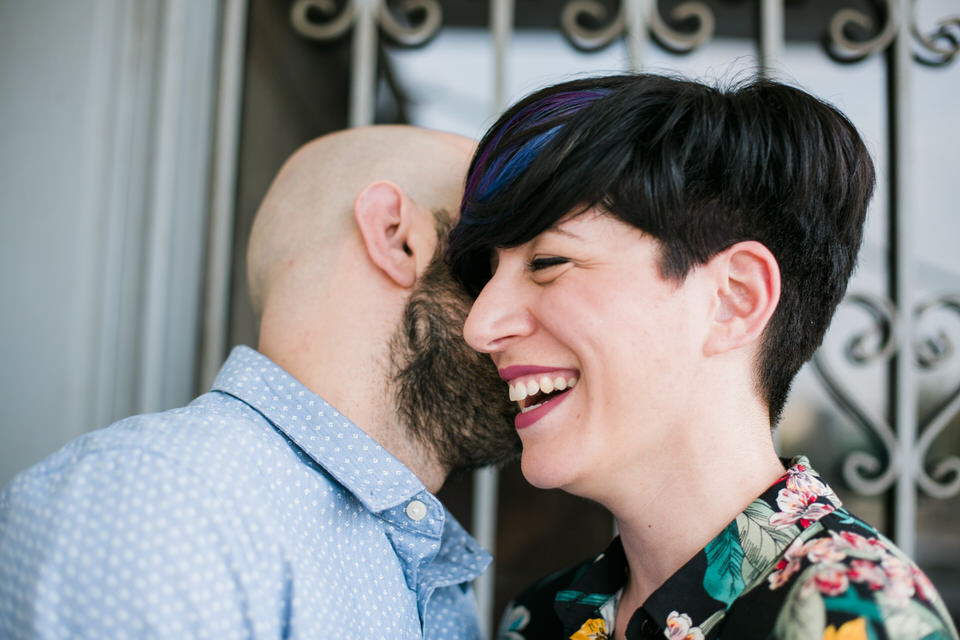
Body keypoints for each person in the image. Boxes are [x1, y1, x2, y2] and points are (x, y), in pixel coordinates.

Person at [446, 74, 959, 640]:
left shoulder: (851, 615)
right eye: (489, 274)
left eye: (548, 263)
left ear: (734, 298)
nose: (481, 325)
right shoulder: (540, 618)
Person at [0, 125, 519, 639]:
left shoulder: (426, 570)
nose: (526, 312)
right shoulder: (162, 508)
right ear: (396, 237)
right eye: (491, 262)